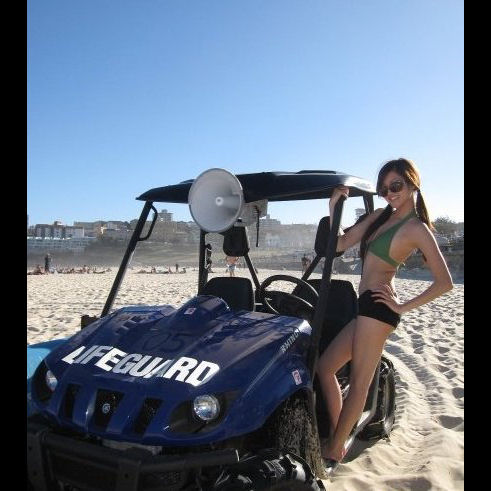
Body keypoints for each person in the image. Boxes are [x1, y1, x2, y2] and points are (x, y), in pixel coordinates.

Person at [317, 158, 453, 474]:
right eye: (384, 189)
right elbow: (339, 244)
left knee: (360, 382)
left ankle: (334, 450)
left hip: (379, 310)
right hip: (364, 306)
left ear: (412, 184)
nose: (390, 193)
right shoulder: (380, 216)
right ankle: (340, 435)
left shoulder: (417, 229)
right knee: (325, 368)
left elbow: (444, 282)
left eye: (396, 186)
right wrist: (333, 207)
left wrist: (402, 307)